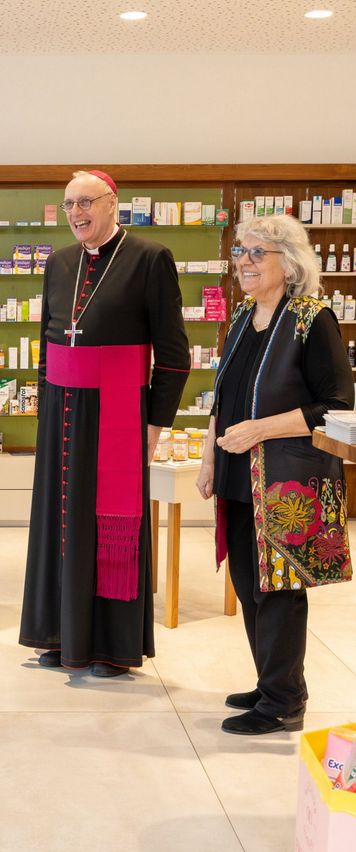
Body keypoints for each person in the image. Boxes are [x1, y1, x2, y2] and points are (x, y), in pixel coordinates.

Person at [19, 170, 190, 676]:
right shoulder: (59, 262)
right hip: (61, 413)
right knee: (59, 521)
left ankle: (112, 647)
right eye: (69, 204)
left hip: (117, 412)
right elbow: (48, 343)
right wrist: (45, 408)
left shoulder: (149, 258)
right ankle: (59, 635)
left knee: (109, 525)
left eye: (86, 202)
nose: (76, 213)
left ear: (113, 203)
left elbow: (175, 356)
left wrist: (154, 425)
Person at [196, 215, 353, 735]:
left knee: (280, 589)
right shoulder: (243, 316)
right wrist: (209, 458)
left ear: (288, 262)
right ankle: (274, 683)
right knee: (249, 584)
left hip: (289, 481)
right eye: (240, 251)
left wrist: (259, 430)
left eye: (257, 252)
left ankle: (284, 703)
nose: (244, 261)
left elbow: (336, 404)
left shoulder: (312, 318)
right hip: (239, 474)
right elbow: (222, 396)